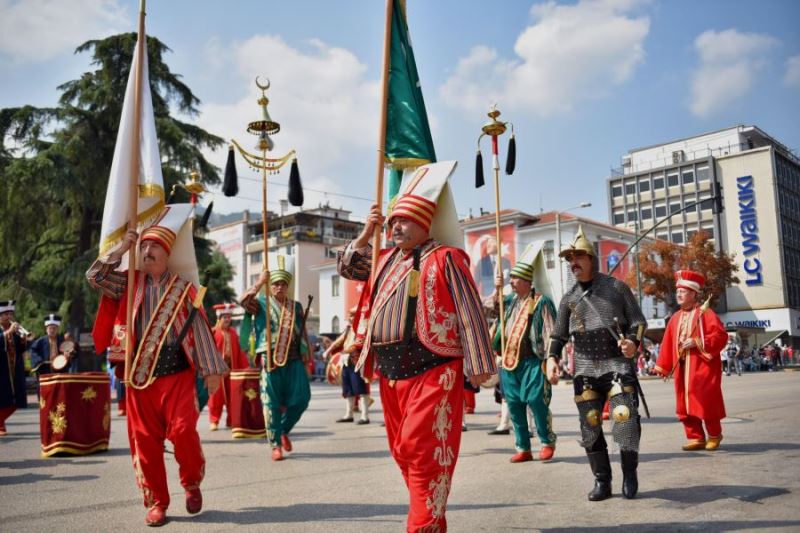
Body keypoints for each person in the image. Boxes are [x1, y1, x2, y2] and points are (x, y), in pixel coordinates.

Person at [337, 161, 496, 532]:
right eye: (393, 222)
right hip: (390, 372)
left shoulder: (446, 257)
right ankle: (432, 519)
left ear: (426, 224)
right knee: (403, 451)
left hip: (433, 367)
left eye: (403, 221)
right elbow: (348, 267)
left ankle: (420, 526)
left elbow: (470, 309)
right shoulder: (384, 259)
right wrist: (365, 234)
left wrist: (480, 361)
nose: (396, 228)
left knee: (422, 452)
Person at [86, 204, 228, 527]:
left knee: (182, 432)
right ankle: (156, 502)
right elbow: (94, 276)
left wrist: (212, 370)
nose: (147, 251)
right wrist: (122, 247)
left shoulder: (183, 289)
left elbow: (199, 328)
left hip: (176, 376)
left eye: (154, 247)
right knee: (145, 442)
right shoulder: (129, 283)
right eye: (144, 246)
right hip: (138, 378)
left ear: (167, 255)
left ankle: (191, 482)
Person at [545, 226, 647, 501]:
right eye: (569, 259)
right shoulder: (568, 299)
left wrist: (632, 343)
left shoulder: (616, 288)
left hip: (617, 365)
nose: (573, 263)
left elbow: (638, 321)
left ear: (591, 258)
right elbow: (558, 334)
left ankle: (630, 475)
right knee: (590, 425)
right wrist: (552, 357)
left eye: (578, 256)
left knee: (624, 419)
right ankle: (602, 480)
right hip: (586, 368)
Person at [239, 255, 311, 462]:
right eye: (276, 284)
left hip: (294, 357)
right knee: (270, 403)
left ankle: (283, 430)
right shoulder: (260, 303)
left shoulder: (295, 306)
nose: (280, 287)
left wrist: (306, 349)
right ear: (270, 286)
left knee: (302, 399)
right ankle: (276, 445)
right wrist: (260, 281)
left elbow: (301, 330)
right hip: (270, 358)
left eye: (283, 284)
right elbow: (243, 301)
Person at [492, 244, 557, 463]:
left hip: (532, 360)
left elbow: (550, 332)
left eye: (515, 279)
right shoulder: (508, 302)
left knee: (536, 401)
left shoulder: (541, 302)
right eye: (510, 279)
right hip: (510, 361)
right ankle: (523, 447)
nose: (511, 282)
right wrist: (497, 289)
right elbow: (490, 310)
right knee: (514, 404)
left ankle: (547, 441)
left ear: (527, 281)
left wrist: (551, 359)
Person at [655, 270, 728, 452]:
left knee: (706, 401)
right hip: (682, 368)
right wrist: (663, 367)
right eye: (677, 291)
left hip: (702, 367)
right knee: (684, 404)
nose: (679, 294)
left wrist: (697, 342)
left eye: (683, 291)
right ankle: (695, 437)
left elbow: (720, 336)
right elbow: (667, 344)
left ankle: (714, 435)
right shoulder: (675, 318)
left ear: (694, 294)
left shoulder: (706, 313)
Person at [323, 307, 370, 424]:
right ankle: (348, 414)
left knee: (361, 389)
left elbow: (360, 344)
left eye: (354, 315)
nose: (351, 318)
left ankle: (365, 416)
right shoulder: (349, 329)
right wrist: (328, 350)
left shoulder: (363, 328)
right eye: (350, 315)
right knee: (348, 389)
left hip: (357, 362)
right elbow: (339, 341)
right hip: (346, 361)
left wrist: (347, 351)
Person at [207, 303, 250, 431]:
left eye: (228, 317)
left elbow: (240, 352)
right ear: (219, 319)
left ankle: (231, 420)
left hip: (232, 370)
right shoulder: (213, 332)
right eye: (224, 317)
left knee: (233, 397)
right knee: (215, 397)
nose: (227, 320)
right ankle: (214, 420)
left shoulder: (233, 333)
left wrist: (245, 368)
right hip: (217, 371)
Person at [0, 300, 28, 437]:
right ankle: (0, 425)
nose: (9, 317)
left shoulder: (15, 329)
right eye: (5, 314)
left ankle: (0, 423)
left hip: (14, 369)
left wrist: (23, 340)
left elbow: (20, 349)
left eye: (10, 314)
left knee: (17, 399)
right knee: (3, 399)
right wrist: (7, 333)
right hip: (2, 371)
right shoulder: (6, 330)